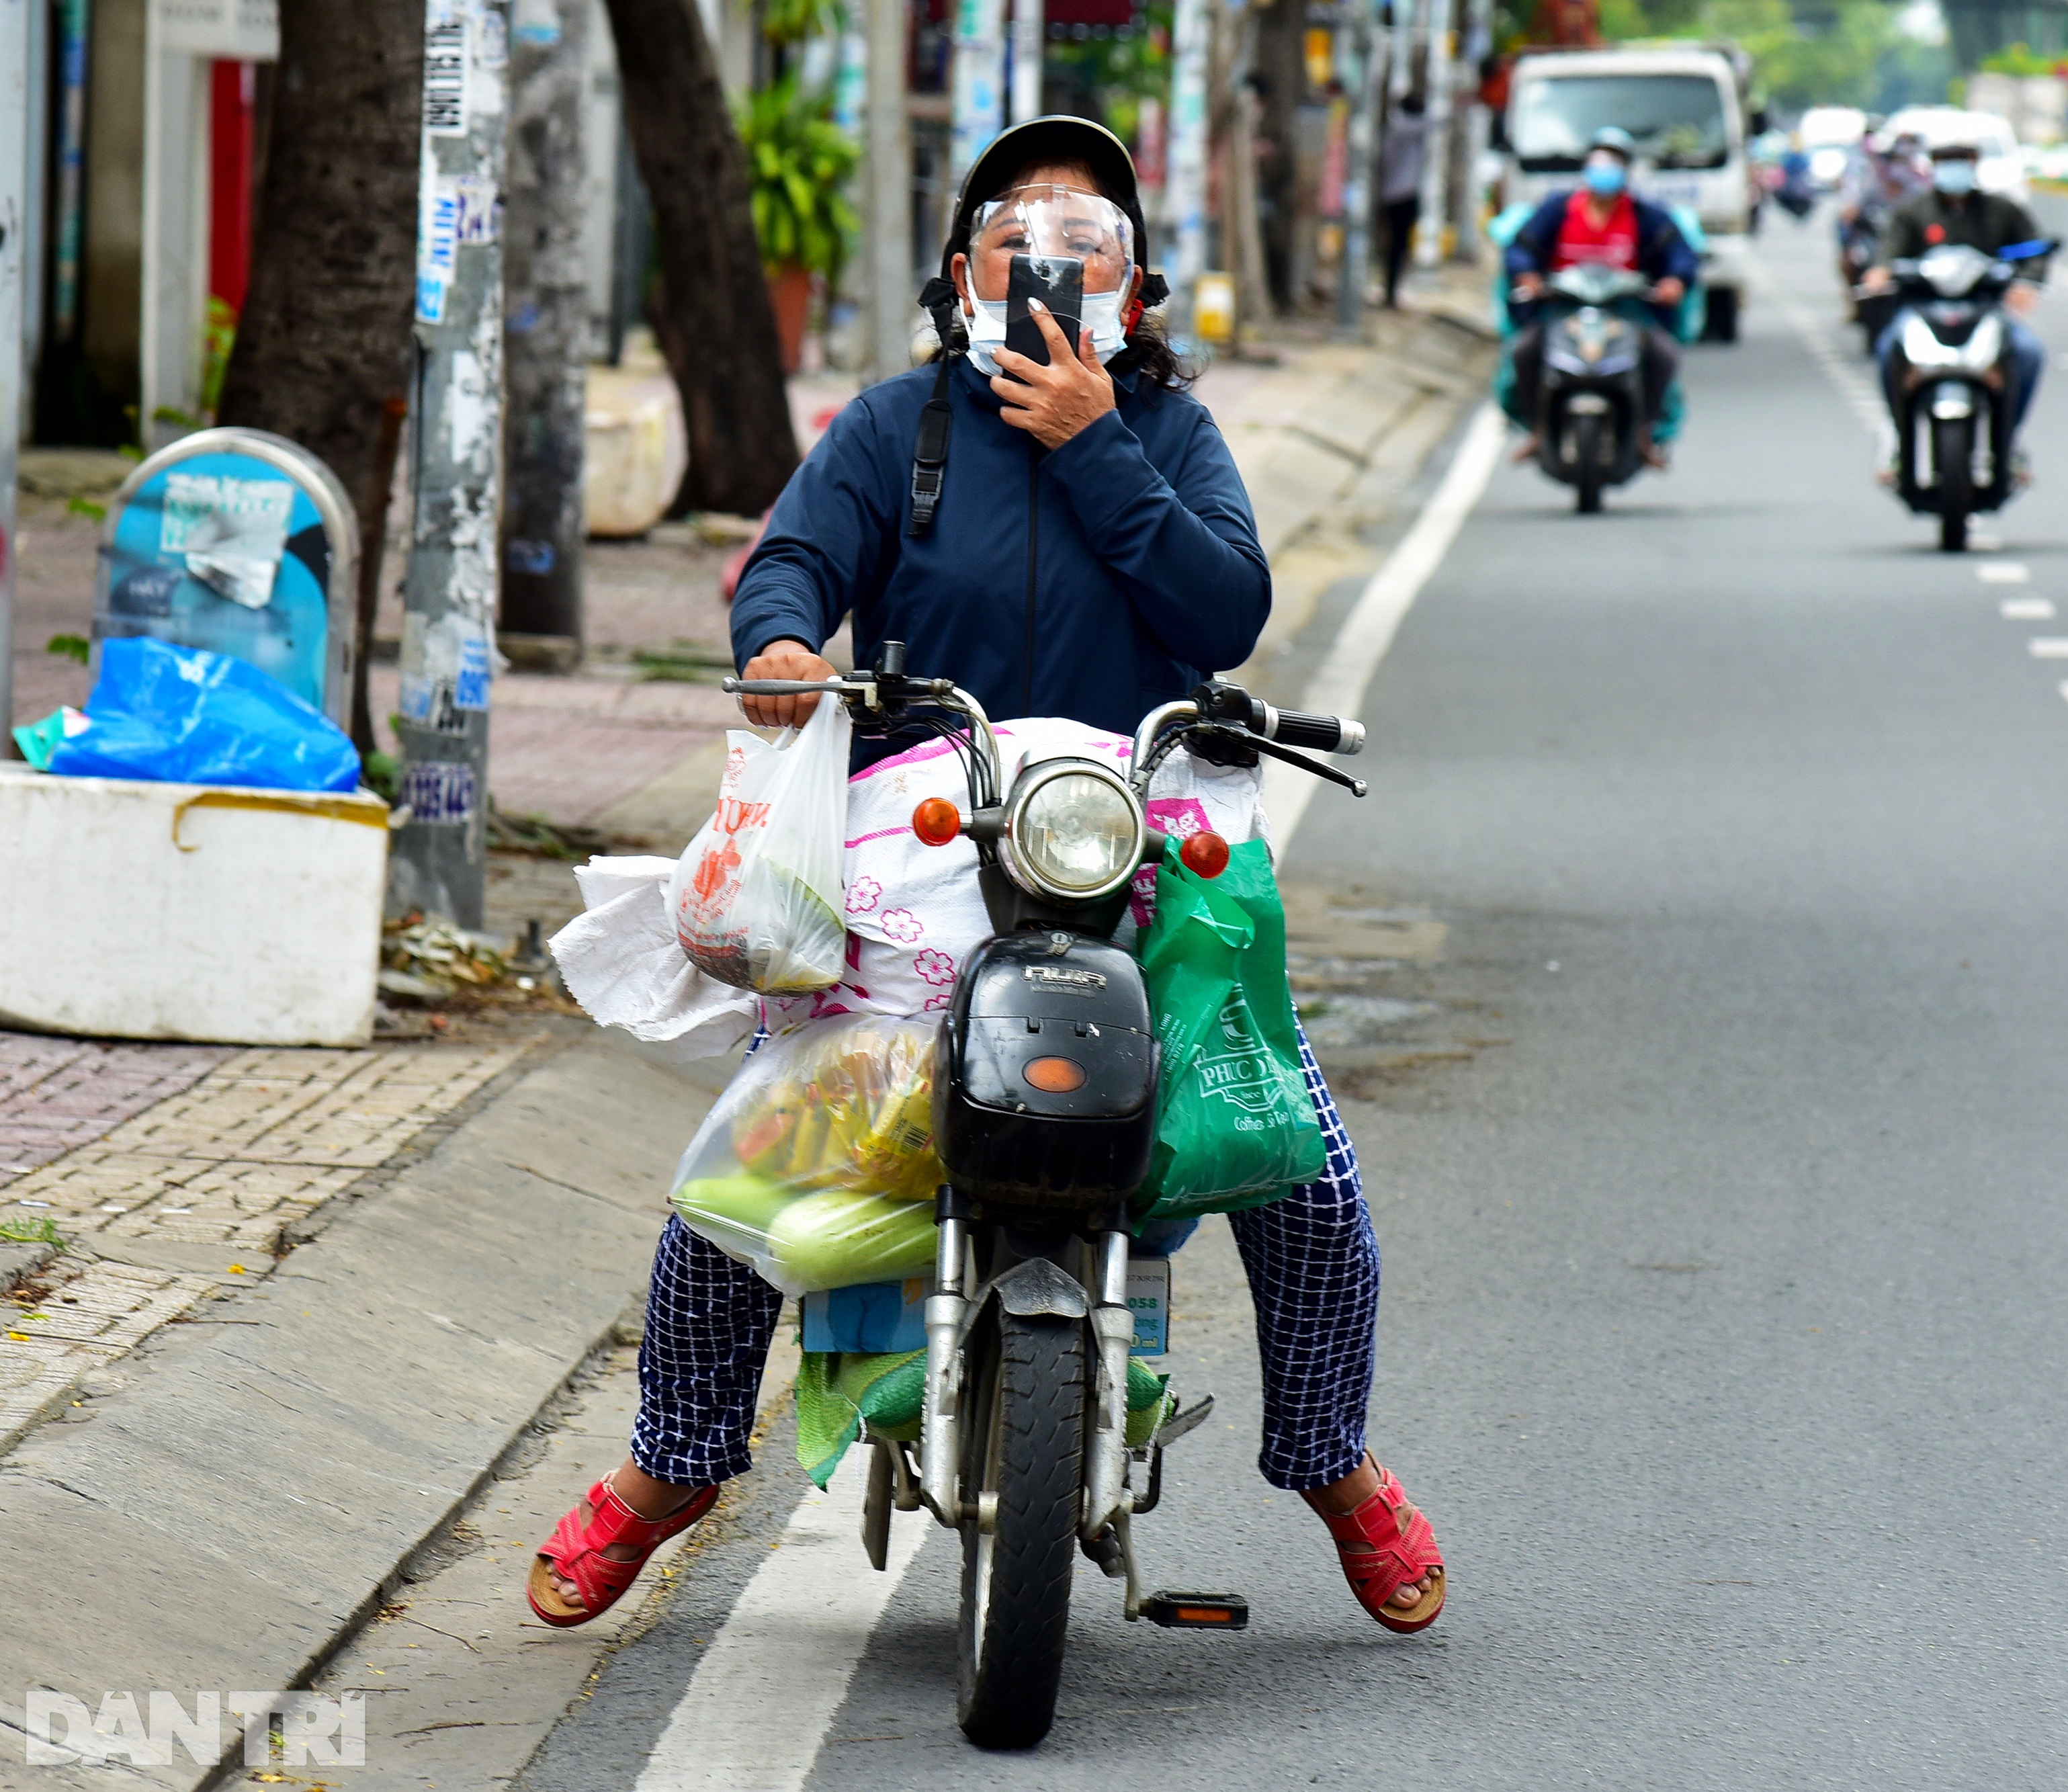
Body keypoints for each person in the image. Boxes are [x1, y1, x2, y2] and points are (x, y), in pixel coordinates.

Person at [525, 115, 1447, 1641]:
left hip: (1129, 836)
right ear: (961, 271)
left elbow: (1220, 608)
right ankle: (669, 1466)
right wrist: (778, 640)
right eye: (1019, 241)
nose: (1049, 268)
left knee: (1292, 1148)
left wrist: (1093, 441)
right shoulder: (896, 428)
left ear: (1134, 296)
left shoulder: (1173, 435)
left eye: (1088, 249)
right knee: (753, 1146)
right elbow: (794, 561)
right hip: (918, 848)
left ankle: (1331, 1460)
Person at [1502, 128, 1697, 467]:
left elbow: (1679, 253)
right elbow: (1522, 247)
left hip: (1627, 311)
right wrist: (1527, 276)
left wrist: (1674, 281)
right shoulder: (1559, 209)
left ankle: (1644, 432)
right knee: (1524, 352)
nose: (1604, 171)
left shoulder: (1646, 215)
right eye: (1599, 162)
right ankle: (1536, 429)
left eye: (1613, 163)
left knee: (1662, 356)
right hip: (1563, 309)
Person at [1860, 139, 2049, 478]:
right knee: (1890, 351)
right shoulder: (1913, 211)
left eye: (1962, 161)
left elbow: (2032, 250)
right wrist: (1880, 271)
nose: (1955, 169)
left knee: (2028, 352)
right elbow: (1888, 250)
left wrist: (2027, 282)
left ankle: (2011, 438)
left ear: (1975, 165)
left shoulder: (2002, 211)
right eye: (1947, 162)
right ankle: (1897, 441)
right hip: (1924, 307)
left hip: (1986, 309)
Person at [1379, 91, 1428, 308]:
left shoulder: (1396, 127)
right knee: (1398, 245)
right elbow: (1435, 122)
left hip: (1396, 192)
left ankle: (1392, 289)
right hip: (1401, 193)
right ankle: (1390, 290)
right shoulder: (1403, 127)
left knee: (1399, 245)